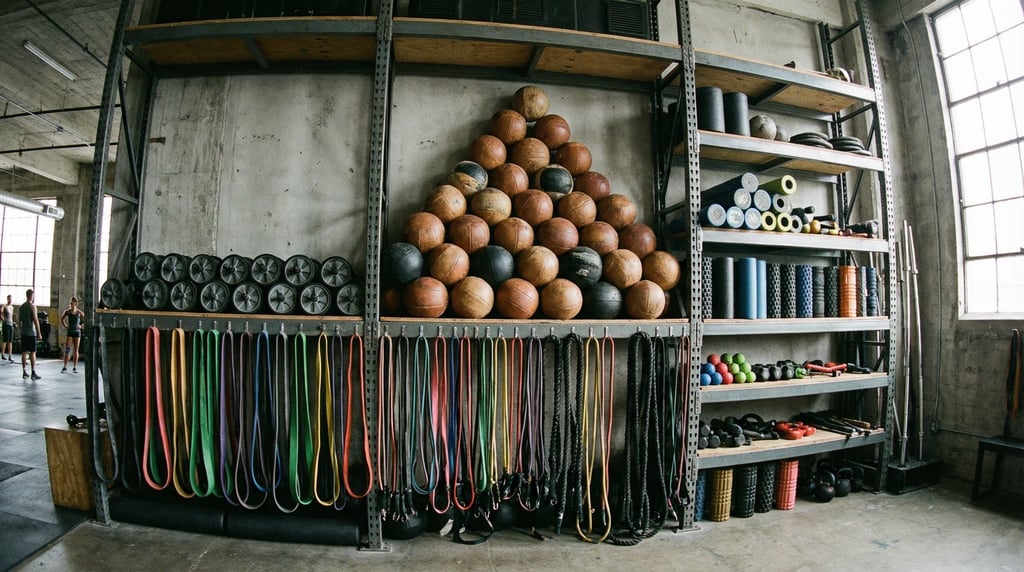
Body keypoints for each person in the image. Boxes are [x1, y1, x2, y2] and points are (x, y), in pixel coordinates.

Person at [19, 289, 42, 380]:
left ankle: (24, 372)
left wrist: (21, 330)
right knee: (33, 353)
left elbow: (19, 321)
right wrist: (39, 333)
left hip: (24, 332)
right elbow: (36, 320)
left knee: (24, 352)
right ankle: (33, 372)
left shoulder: (21, 307)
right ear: (31, 296)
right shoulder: (32, 306)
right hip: (31, 333)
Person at [60, 296, 85, 373]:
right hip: (70, 332)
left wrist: (81, 326)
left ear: (76, 303)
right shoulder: (68, 311)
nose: (72, 303)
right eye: (71, 302)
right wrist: (65, 325)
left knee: (76, 350)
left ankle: (74, 367)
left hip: (77, 332)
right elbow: (62, 319)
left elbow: (86, 319)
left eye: (73, 302)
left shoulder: (79, 312)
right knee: (67, 349)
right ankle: (65, 366)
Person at [1, 294, 15, 362]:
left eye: (11, 299)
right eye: (9, 299)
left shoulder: (12, 307)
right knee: (5, 340)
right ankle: (3, 354)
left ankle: (10, 356)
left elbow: (12, 316)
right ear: (7, 299)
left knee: (10, 341)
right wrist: (3, 320)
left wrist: (13, 323)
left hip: (11, 324)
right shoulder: (4, 306)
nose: (10, 300)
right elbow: (0, 313)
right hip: (6, 324)